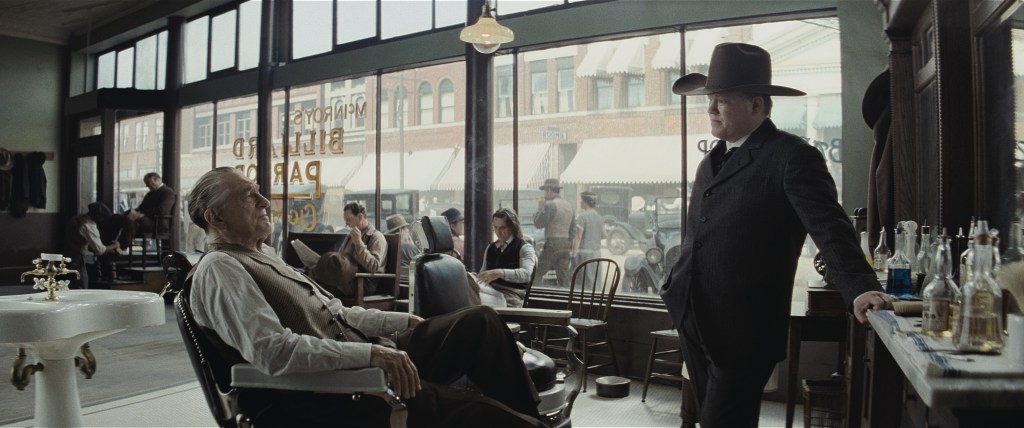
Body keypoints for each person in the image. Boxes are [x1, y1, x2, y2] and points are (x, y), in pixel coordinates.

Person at [186, 167, 544, 427]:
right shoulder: (220, 268)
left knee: (481, 321)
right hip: (334, 391)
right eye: (248, 195)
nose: (264, 200)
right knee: (485, 416)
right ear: (215, 216)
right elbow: (273, 351)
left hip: (363, 353)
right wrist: (372, 354)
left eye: (258, 191)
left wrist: (402, 321)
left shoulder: (264, 255)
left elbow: (337, 312)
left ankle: (530, 415)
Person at [661, 43, 895, 428]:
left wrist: (860, 287)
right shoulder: (711, 161)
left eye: (722, 100)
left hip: (744, 328)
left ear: (756, 105)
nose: (710, 109)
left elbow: (829, 227)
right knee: (701, 416)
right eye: (710, 100)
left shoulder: (792, 156)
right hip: (692, 313)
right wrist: (675, 284)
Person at [309, 202, 388, 298]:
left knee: (318, 286)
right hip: (345, 278)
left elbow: (374, 266)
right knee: (313, 275)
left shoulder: (376, 237)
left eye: (348, 220)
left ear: (360, 217)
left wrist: (359, 243)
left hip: (361, 282)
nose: (346, 224)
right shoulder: (351, 236)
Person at [478, 208, 536, 308]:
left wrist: (501, 273)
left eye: (502, 228)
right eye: (495, 228)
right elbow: (483, 273)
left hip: (512, 295)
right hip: (490, 293)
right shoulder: (490, 248)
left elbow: (526, 274)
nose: (498, 232)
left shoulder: (524, 248)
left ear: (513, 227)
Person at [63, 201, 121, 289]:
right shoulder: (87, 225)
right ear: (97, 216)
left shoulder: (75, 219)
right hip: (76, 261)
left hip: (67, 259)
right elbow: (100, 250)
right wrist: (115, 245)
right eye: (102, 218)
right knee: (81, 288)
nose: (102, 221)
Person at [533, 178, 574, 288]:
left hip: (552, 242)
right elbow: (572, 229)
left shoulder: (550, 205)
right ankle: (565, 295)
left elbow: (538, 223)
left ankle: (534, 294)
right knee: (563, 276)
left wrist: (540, 208)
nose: (544, 194)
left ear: (550, 190)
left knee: (538, 272)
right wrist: (569, 243)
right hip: (566, 243)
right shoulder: (569, 205)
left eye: (545, 191)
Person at [119, 172, 176, 249]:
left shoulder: (168, 192)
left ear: (156, 179)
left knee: (134, 220)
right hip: (147, 221)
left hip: (158, 223)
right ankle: (118, 244)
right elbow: (141, 207)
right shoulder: (149, 194)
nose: (147, 185)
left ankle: (121, 246)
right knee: (121, 218)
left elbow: (162, 211)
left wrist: (142, 214)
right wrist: (133, 212)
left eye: (148, 183)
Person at [571, 191, 605, 288]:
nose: (580, 202)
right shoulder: (599, 217)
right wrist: (593, 236)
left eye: (581, 201)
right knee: (595, 281)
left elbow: (578, 236)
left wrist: (574, 254)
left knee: (584, 282)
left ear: (585, 202)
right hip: (597, 254)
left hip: (585, 255)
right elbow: (604, 235)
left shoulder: (582, 217)